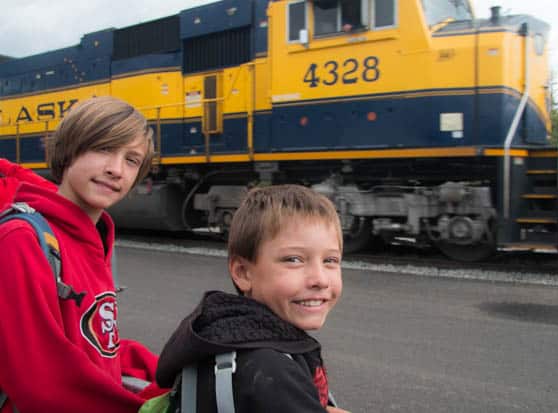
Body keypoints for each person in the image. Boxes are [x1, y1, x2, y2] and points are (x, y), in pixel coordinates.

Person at [0, 96, 162, 413]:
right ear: (69, 151)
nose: (116, 169)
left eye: (131, 160)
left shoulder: (93, 239)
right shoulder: (22, 240)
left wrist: (175, 365)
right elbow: (42, 382)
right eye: (103, 149)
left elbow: (92, 343)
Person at [155, 185, 350, 413]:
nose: (320, 279)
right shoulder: (270, 372)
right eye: (294, 259)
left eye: (331, 260)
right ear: (243, 273)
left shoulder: (226, 337)